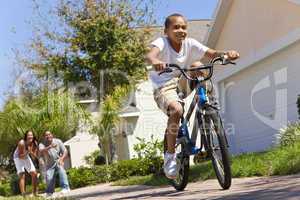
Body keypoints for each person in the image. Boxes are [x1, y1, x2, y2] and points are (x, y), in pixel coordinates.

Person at [146, 13, 239, 179]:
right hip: (164, 85)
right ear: (166, 31)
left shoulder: (190, 43)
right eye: (175, 27)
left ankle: (207, 103)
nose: (180, 30)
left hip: (182, 79)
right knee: (176, 109)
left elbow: (212, 53)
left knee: (197, 65)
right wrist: (155, 62)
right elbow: (150, 55)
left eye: (183, 27)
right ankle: (170, 156)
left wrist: (226, 54)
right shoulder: (162, 42)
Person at [39, 130, 70, 197]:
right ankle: (49, 192)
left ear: (52, 135)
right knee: (49, 178)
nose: (48, 136)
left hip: (58, 161)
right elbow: (41, 150)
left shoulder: (58, 141)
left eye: (49, 134)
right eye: (46, 135)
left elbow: (65, 151)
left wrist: (62, 159)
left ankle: (65, 188)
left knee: (62, 171)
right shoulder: (42, 144)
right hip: (49, 164)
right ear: (44, 137)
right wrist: (50, 146)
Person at [13, 130, 39, 196]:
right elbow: (20, 156)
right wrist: (28, 152)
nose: (30, 137)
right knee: (22, 174)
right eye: (29, 135)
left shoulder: (34, 143)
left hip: (26, 156)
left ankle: (34, 193)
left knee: (34, 174)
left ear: (33, 136)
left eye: (31, 135)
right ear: (26, 136)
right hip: (18, 157)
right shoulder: (22, 143)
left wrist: (32, 153)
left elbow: (34, 157)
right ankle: (23, 194)